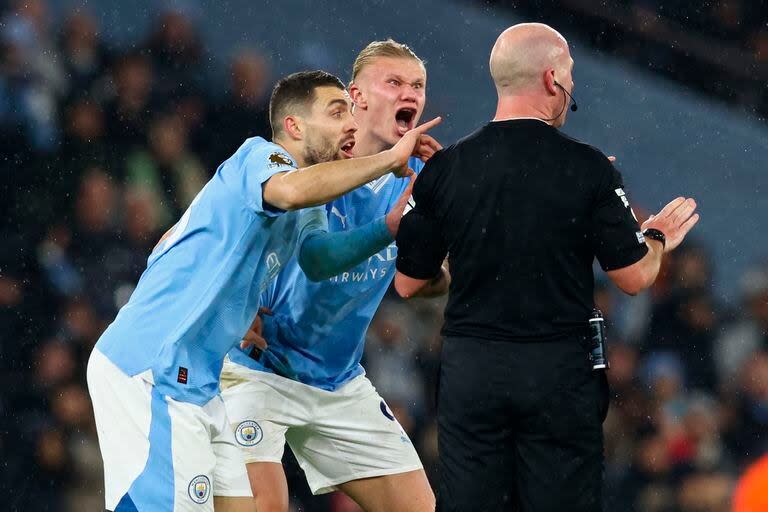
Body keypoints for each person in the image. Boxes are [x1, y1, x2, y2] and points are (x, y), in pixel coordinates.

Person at [86, 70, 440, 512]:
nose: (351, 123)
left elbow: (319, 260)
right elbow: (288, 191)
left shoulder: (306, 208)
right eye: (336, 112)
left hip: (201, 379)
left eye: (350, 114)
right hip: (152, 366)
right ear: (294, 127)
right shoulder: (262, 157)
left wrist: (387, 228)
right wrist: (388, 160)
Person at [393, 23, 700, 512]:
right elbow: (635, 277)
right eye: (571, 74)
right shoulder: (589, 167)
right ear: (553, 79)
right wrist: (657, 237)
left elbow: (409, 283)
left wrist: (472, 241)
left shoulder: (447, 168)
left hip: (472, 370)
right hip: (557, 374)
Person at [220, 40, 443, 512]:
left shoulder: (422, 177)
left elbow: (418, 282)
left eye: (418, 85)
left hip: (338, 380)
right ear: (356, 97)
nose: (411, 93)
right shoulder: (312, 158)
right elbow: (314, 258)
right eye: (395, 83)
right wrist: (225, 305)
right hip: (259, 369)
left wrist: (440, 262)